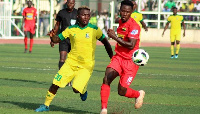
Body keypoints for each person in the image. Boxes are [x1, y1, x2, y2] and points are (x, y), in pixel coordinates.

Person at [35, 6, 113, 112]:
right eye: (83, 15)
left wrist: (112, 58)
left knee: (76, 89)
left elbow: (106, 43)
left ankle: (83, 90)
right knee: (55, 83)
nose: (86, 17)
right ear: (78, 16)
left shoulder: (94, 29)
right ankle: (46, 105)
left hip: (86, 65)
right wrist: (52, 36)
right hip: (71, 62)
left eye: (88, 15)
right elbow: (57, 39)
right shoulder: (71, 29)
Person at [100, 1, 145, 114]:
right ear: (119, 11)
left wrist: (114, 37)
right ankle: (104, 109)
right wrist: (112, 33)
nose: (124, 14)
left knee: (121, 91)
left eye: (127, 12)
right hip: (118, 57)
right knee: (106, 78)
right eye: (122, 11)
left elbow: (131, 45)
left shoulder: (134, 26)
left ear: (131, 12)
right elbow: (121, 35)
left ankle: (138, 94)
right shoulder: (120, 21)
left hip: (130, 61)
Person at [50, 0, 77, 86]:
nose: (70, 5)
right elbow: (57, 25)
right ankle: (63, 78)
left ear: (74, 3)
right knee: (62, 59)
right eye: (69, 3)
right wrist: (53, 39)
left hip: (74, 40)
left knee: (73, 61)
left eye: (72, 3)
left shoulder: (78, 13)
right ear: (66, 3)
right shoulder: (61, 13)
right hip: (63, 39)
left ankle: (70, 78)